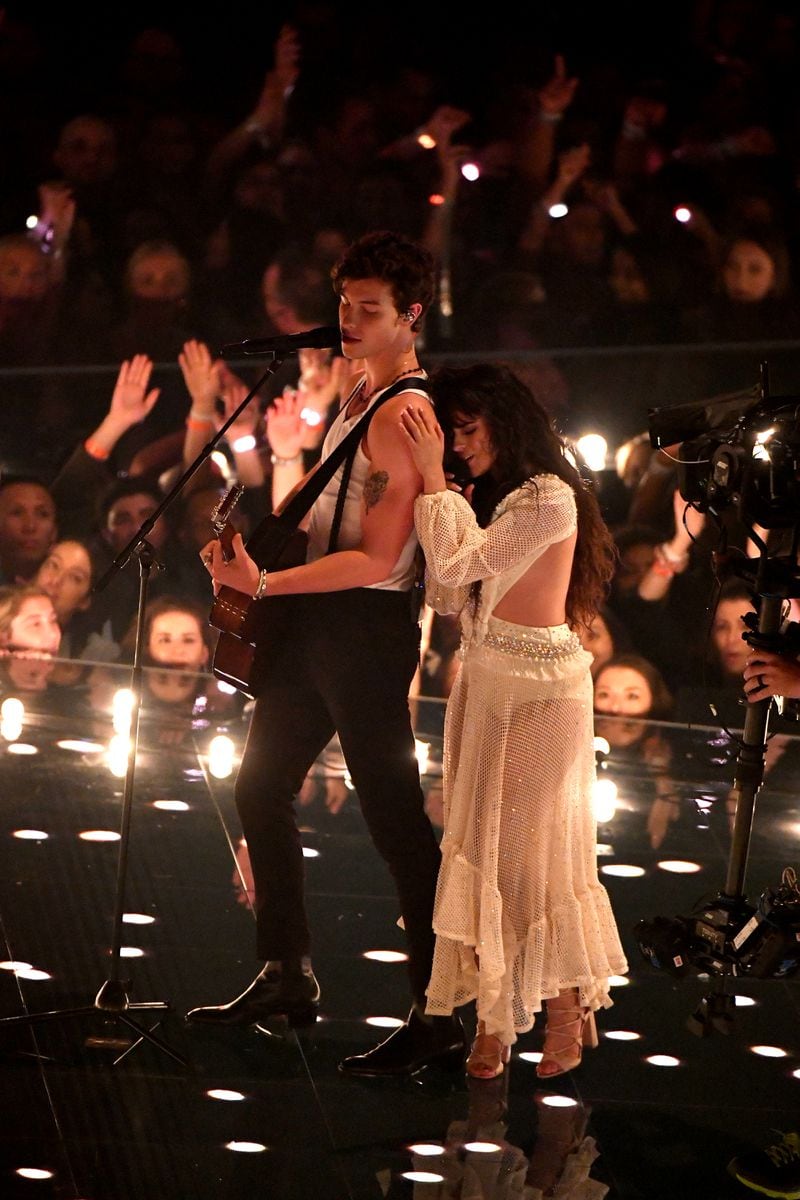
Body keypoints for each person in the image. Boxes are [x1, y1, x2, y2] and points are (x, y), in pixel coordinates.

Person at [186, 229, 465, 1077]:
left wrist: (265, 587)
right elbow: (323, 519)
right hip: (317, 616)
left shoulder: (407, 413)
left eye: (367, 308)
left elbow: (380, 559)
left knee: (393, 819)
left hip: (367, 628)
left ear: (410, 316)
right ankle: (286, 971)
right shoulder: (355, 393)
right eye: (343, 302)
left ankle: (437, 1007)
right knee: (260, 780)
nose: (346, 319)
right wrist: (251, 557)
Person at [399, 362, 628, 1080]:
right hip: (484, 684)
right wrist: (447, 497)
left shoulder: (550, 497)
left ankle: (557, 1013)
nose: (459, 445)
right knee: (481, 844)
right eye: (452, 434)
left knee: (526, 856)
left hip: (540, 691)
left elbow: (460, 560)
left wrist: (435, 483)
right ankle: (495, 1022)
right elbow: (444, 592)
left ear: (505, 421)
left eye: (466, 430)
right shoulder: (491, 501)